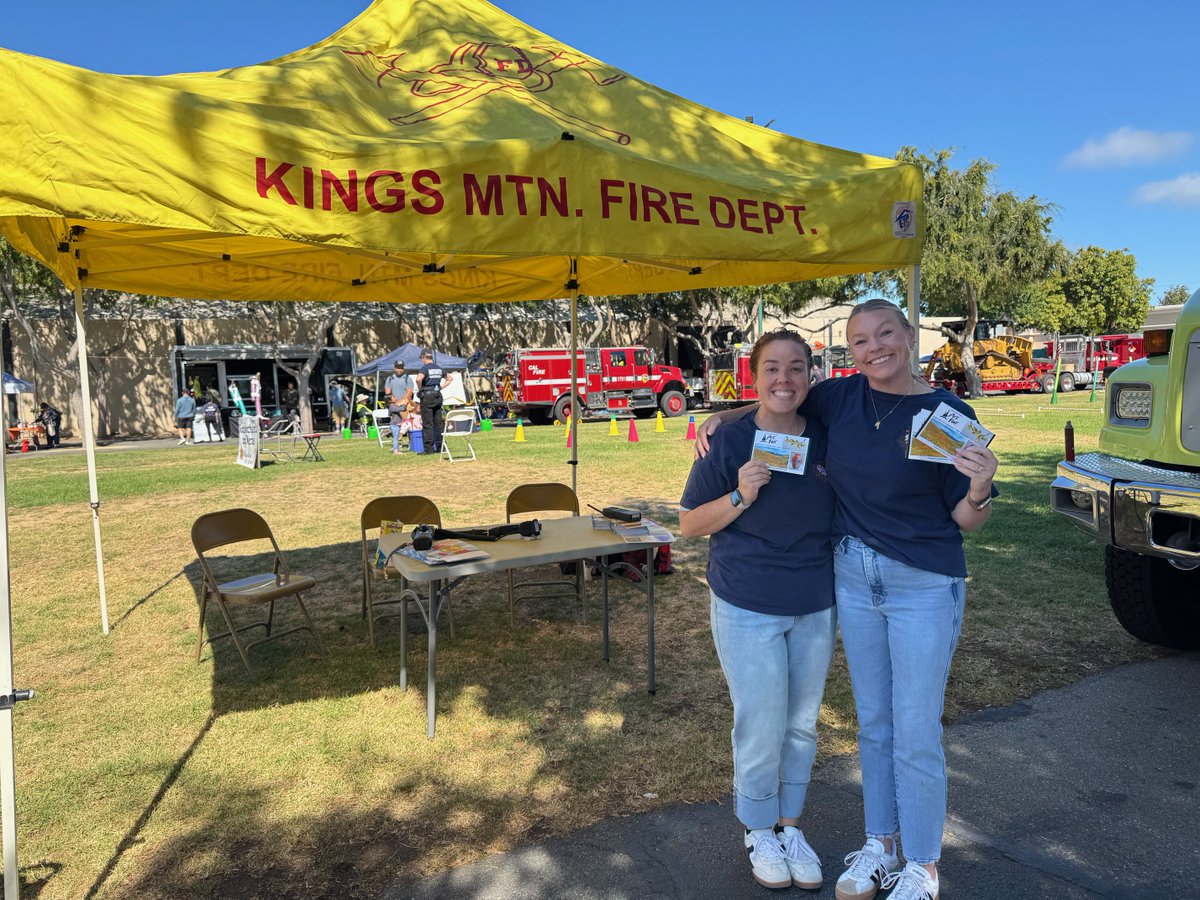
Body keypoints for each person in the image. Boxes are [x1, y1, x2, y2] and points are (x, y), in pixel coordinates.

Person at [698, 300, 998, 900]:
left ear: (908, 336)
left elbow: (966, 522)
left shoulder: (948, 414)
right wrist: (721, 418)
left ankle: (922, 864)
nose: (873, 348)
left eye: (884, 334)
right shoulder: (842, 397)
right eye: (859, 340)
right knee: (875, 723)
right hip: (853, 579)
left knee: (915, 727)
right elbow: (780, 399)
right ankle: (880, 845)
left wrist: (982, 485)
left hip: (922, 582)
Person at [679, 330, 837, 892]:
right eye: (771, 368)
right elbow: (690, 524)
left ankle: (790, 826)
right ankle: (757, 829)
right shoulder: (727, 442)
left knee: (800, 726)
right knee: (761, 721)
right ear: (754, 376)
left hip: (815, 603)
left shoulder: (826, 434)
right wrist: (740, 494)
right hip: (747, 603)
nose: (784, 380)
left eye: (796, 368)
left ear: (811, 376)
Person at [414, 350, 451, 455]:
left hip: (427, 397)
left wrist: (420, 388)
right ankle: (440, 447)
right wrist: (440, 387)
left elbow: (418, 378)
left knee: (428, 424)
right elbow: (449, 378)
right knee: (438, 423)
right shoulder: (439, 368)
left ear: (424, 357)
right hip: (437, 396)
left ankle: (429, 449)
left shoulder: (425, 368)